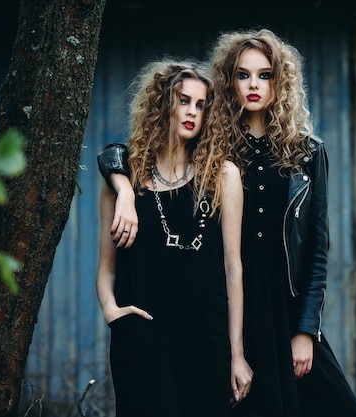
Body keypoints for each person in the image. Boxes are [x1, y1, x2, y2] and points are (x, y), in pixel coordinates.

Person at [98, 29, 356, 417]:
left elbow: (316, 250)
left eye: (265, 74)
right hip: (228, 303)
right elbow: (124, 152)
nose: (254, 85)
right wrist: (122, 187)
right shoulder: (215, 144)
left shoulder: (307, 152)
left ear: (281, 81)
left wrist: (306, 330)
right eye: (243, 75)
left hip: (284, 305)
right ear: (229, 82)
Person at [95, 58, 252, 417]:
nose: (192, 112)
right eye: (183, 100)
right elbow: (107, 268)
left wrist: (237, 353)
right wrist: (112, 313)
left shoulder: (222, 175)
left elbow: (233, 267)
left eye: (201, 105)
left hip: (206, 337)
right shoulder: (124, 182)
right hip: (143, 339)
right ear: (161, 103)